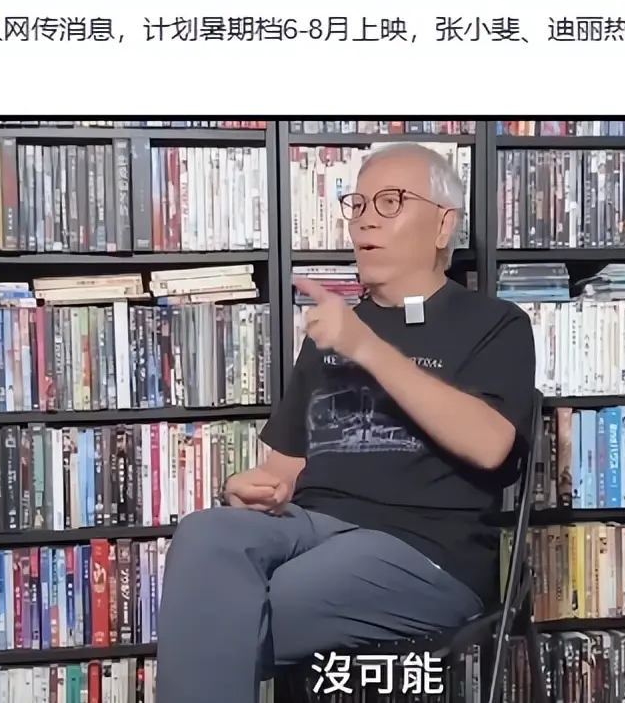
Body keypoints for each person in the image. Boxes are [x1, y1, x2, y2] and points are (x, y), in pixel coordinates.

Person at [156, 142, 537, 703]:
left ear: (443, 225)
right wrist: (249, 488)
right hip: (310, 526)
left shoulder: (495, 324)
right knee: (205, 535)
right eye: (357, 204)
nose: (365, 220)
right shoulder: (330, 334)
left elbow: (490, 444)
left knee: (231, 607)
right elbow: (282, 470)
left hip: (424, 550)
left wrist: (366, 347)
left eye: (390, 202)